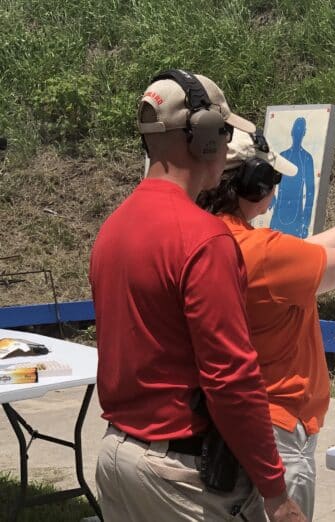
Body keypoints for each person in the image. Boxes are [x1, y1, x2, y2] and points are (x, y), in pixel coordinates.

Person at [89, 69, 306, 522]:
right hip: (179, 479)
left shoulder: (113, 228)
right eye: (224, 133)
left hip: (118, 457)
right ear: (204, 138)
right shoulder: (204, 239)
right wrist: (275, 491)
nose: (227, 148)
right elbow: (232, 378)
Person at [197, 130, 335, 519]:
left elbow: (309, 250)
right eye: (272, 180)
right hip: (278, 427)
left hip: (239, 423)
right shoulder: (258, 252)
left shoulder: (215, 240)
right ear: (255, 183)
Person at [270, 117, 315, 238]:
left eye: (300, 130)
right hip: (279, 211)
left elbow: (310, 191)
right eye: (296, 130)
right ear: (292, 131)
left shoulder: (306, 158)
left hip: (297, 214)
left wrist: (306, 221)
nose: (298, 133)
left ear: (304, 133)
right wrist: (269, 197)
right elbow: (269, 178)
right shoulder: (283, 155)